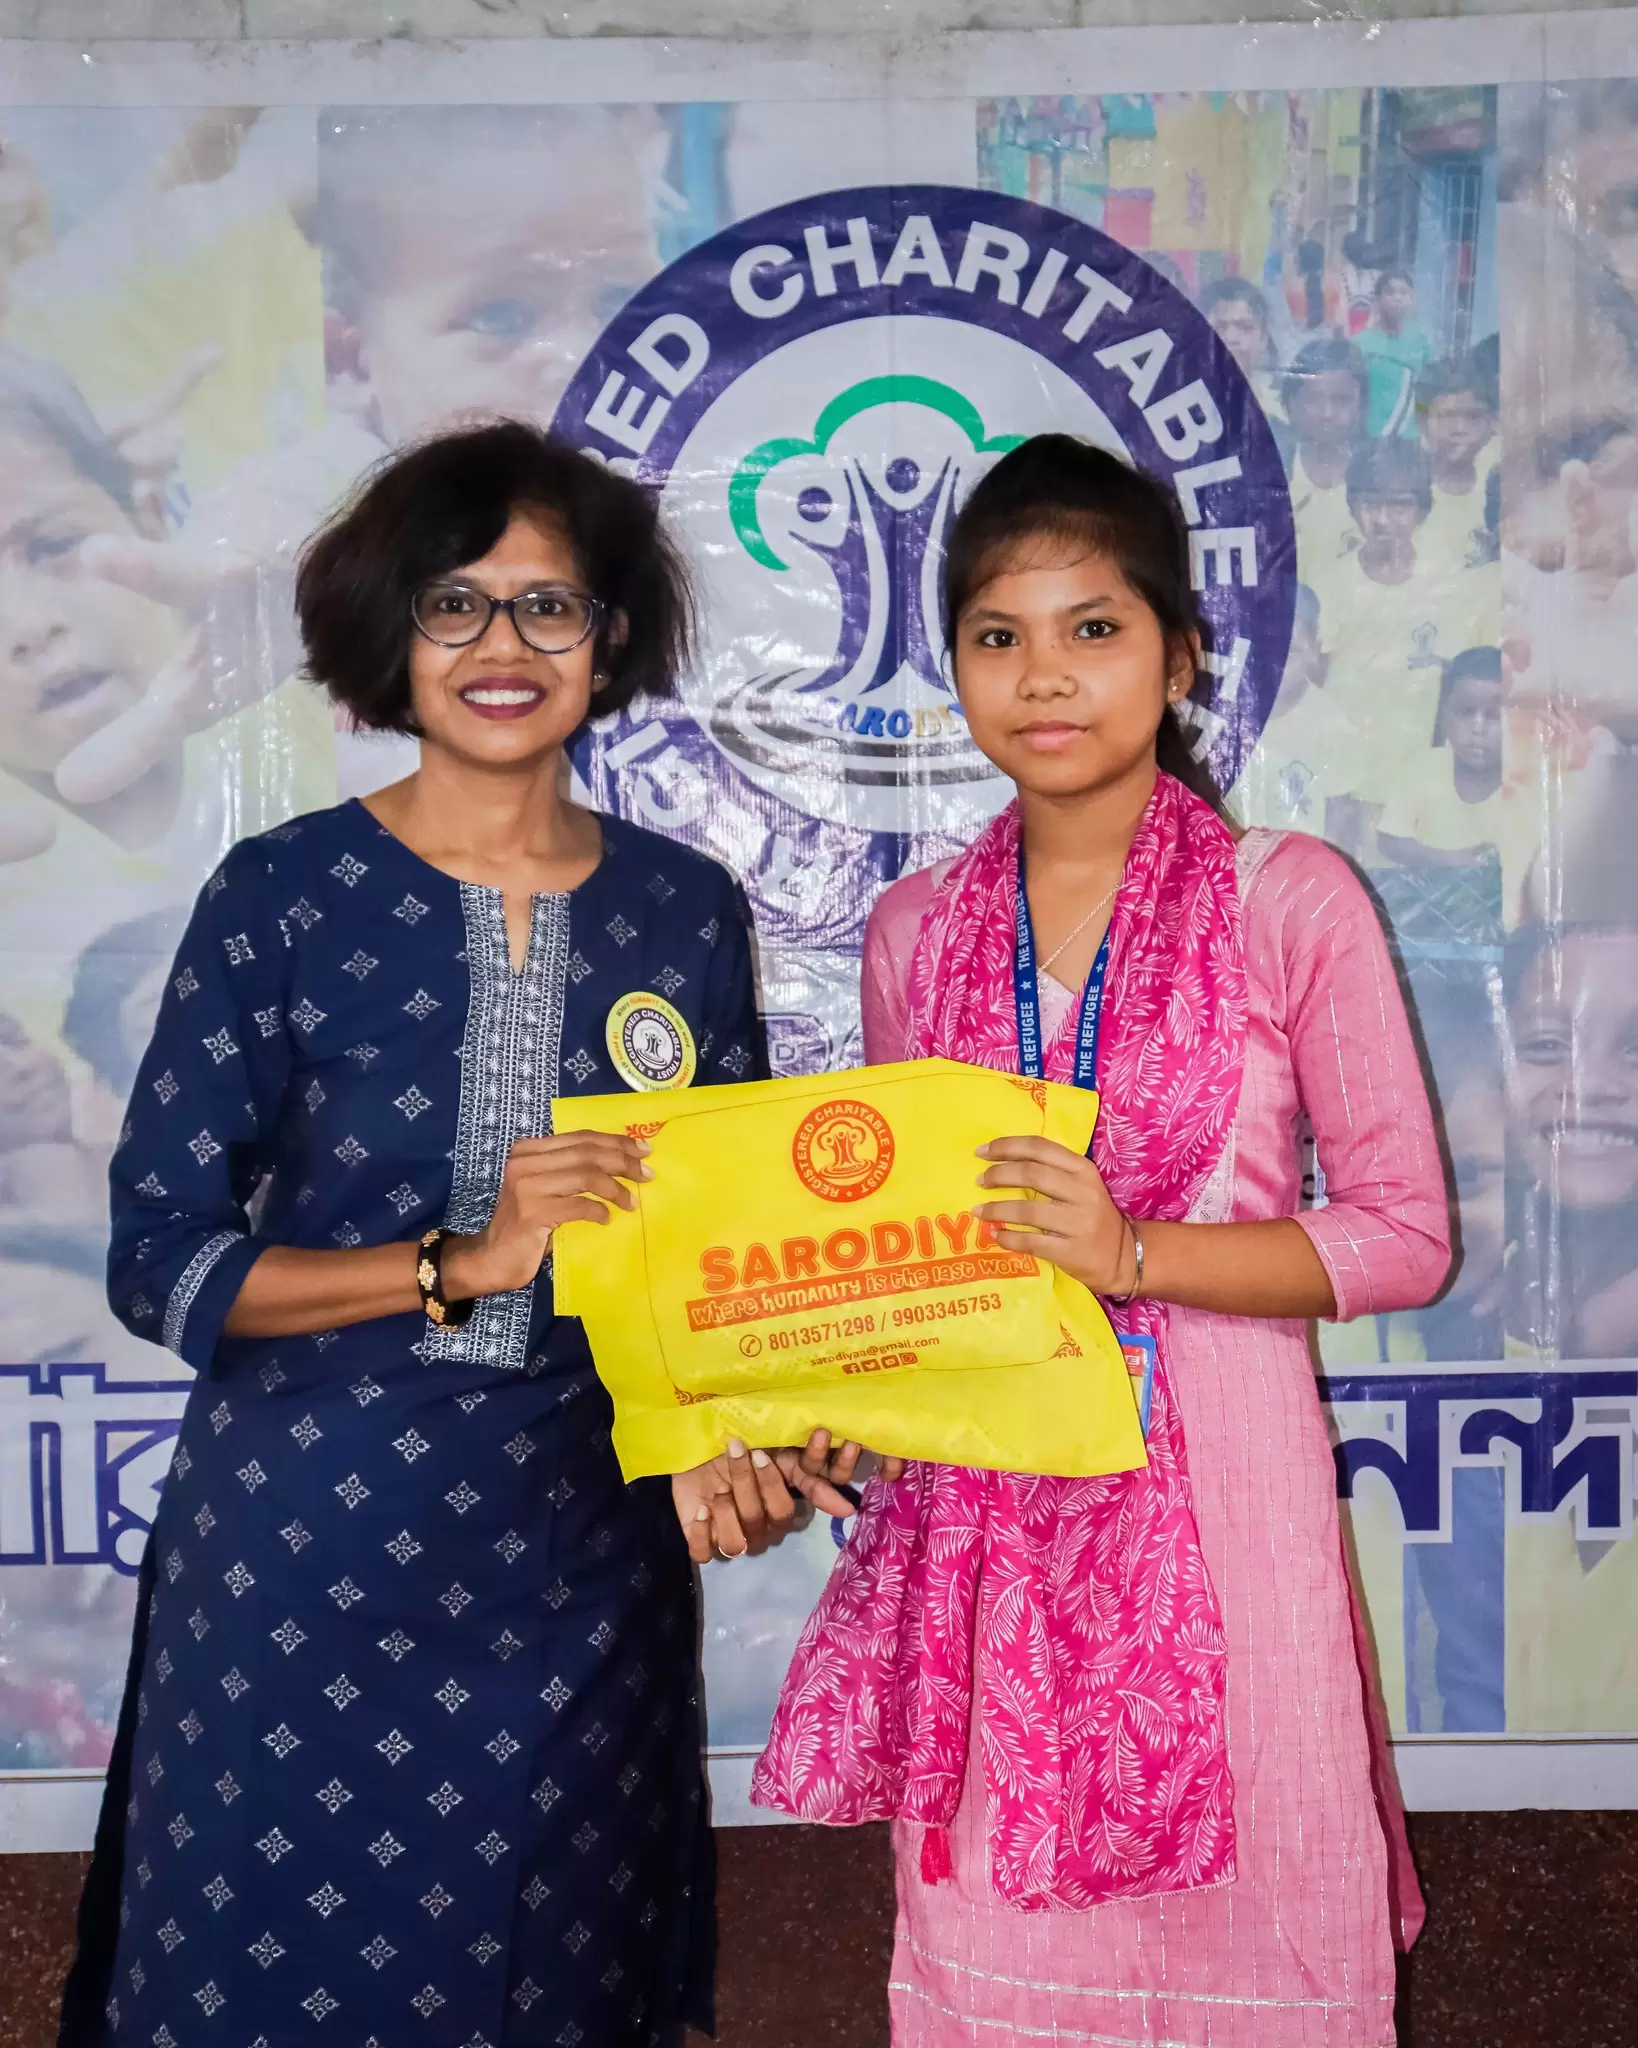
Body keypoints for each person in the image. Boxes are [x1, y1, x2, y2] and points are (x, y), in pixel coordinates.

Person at [56, 422, 859, 2048]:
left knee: (547, 1983)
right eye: (454, 604)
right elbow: (159, 1254)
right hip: (299, 1562)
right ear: (392, 634)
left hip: (580, 1567)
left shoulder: (681, 908)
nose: (503, 645)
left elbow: (723, 1254)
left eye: (547, 606)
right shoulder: (282, 895)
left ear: (609, 637)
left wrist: (748, 1428)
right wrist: (451, 1263)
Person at [756, 435, 1450, 2046]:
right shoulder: (915, 931)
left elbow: (1403, 1237)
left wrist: (1133, 1254)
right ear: (952, 670)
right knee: (1001, 1957)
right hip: (983, 1532)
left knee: (1261, 1936)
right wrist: (819, 1398)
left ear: (1179, 655)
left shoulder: (1288, 901)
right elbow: (910, 1266)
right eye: (996, 635)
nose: (1044, 675)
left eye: (1092, 628)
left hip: (1227, 1517)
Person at [1308, 437, 1501, 855]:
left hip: (1411, 767)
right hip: (1347, 771)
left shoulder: (1447, 582)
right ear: (1352, 505)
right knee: (1349, 866)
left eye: (1399, 506)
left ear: (1422, 511)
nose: (1382, 519)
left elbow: (1453, 680)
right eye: (1370, 503)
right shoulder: (1331, 585)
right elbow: (1315, 683)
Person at [1377, 646, 1541, 924]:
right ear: (1445, 716)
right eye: (1466, 712)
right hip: (1435, 925)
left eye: (1493, 716)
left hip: (1508, 929)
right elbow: (1389, 841)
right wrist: (1450, 861)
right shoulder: (1424, 769)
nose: (1478, 728)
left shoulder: (1529, 786)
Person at [1279, 336, 1368, 578]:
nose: (1327, 413)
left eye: (1341, 401)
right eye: (1314, 399)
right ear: (1292, 403)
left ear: (1360, 407)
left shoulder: (1374, 482)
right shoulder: (1275, 474)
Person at [1416, 355, 1500, 576]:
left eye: (1474, 417)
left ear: (1492, 421)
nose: (1460, 429)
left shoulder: (1503, 474)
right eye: (1446, 417)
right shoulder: (1404, 490)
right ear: (1422, 422)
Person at [1357, 267, 1435, 438]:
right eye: (1390, 292)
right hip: (1372, 436)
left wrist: (1423, 426)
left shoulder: (1420, 342)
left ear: (1411, 299)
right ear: (1377, 299)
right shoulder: (1361, 343)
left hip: (1409, 438)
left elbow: (1428, 390)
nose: (1397, 298)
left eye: (1403, 292)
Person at [1198, 275, 1284, 419]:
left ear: (1264, 338)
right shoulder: (1178, 403)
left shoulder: (1283, 409)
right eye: (1219, 327)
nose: (1231, 338)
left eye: (1245, 327)